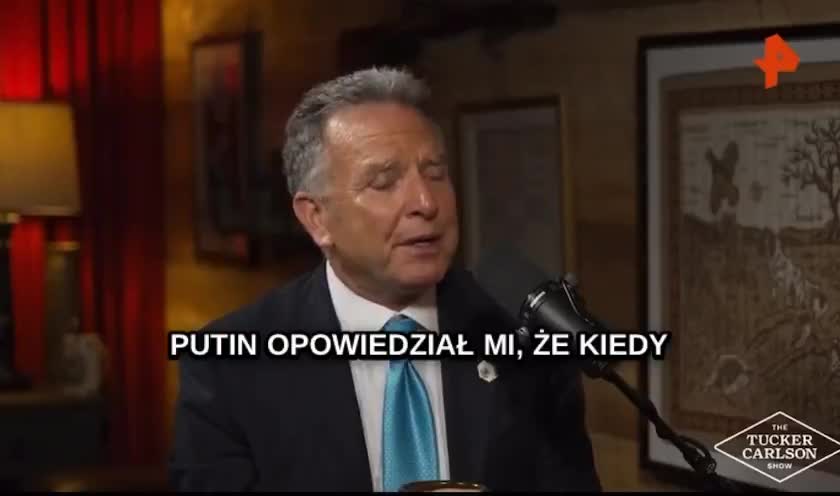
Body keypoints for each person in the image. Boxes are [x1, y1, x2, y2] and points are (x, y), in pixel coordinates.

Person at [169, 67, 602, 492]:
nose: (425, 202)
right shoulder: (228, 369)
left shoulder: (527, 338)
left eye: (435, 173)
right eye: (384, 182)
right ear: (317, 217)